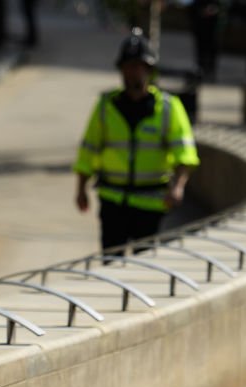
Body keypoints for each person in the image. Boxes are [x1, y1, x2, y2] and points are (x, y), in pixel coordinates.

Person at [73, 28, 200, 253]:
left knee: (144, 265)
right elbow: (88, 150)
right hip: (113, 200)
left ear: (149, 70)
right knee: (111, 265)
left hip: (150, 202)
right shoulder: (105, 106)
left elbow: (185, 154)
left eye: (139, 66)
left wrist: (178, 187)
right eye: (128, 66)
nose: (133, 73)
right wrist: (81, 188)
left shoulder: (169, 108)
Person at [190, 0, 223, 81]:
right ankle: (201, 69)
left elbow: (220, 8)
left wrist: (213, 11)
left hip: (212, 28)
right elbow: (193, 9)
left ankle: (210, 70)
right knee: (201, 49)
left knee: (212, 49)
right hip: (200, 27)